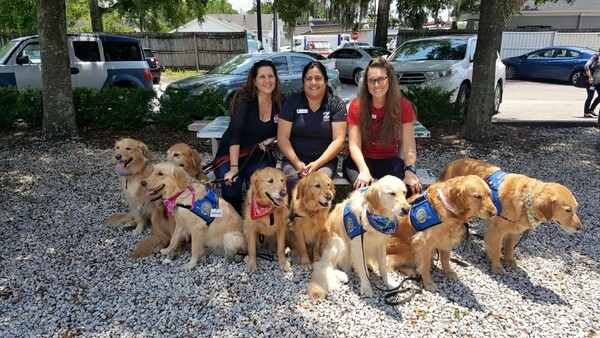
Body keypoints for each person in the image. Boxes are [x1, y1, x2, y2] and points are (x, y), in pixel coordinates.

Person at [342, 56, 422, 196]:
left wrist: (410, 171)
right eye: (371, 80)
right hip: (360, 161)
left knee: (405, 191)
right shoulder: (357, 106)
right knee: (365, 193)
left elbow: (409, 145)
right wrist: (364, 170)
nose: (376, 85)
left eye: (381, 79)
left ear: (389, 79)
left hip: (388, 160)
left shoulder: (402, 106)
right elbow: (354, 145)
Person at [215, 59, 283, 214]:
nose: (267, 81)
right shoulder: (243, 98)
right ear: (254, 81)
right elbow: (235, 133)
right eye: (262, 77)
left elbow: (283, 128)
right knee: (232, 187)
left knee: (263, 186)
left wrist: (271, 139)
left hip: (258, 154)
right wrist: (233, 168)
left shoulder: (279, 101)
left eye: (270, 76)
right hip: (233, 153)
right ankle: (233, 222)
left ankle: (257, 222)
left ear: (275, 79)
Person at [277, 61, 347, 191]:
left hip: (324, 162)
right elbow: (282, 138)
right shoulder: (292, 103)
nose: (313, 82)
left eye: (318, 78)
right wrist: (298, 163)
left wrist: (316, 165)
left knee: (319, 185)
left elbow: (339, 140)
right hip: (294, 161)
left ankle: (316, 212)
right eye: (308, 79)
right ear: (303, 83)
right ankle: (294, 212)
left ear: (325, 81)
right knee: (292, 181)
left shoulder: (336, 105)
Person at [584, 48, 600, 118]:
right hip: (591, 81)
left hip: (599, 82)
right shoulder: (595, 57)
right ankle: (586, 112)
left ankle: (592, 109)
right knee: (590, 97)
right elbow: (586, 66)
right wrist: (590, 77)